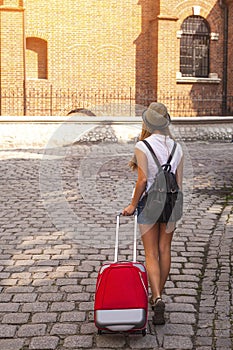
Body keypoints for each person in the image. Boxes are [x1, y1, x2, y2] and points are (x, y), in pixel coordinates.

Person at [122, 102, 183, 325]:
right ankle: (158, 295)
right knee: (165, 249)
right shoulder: (178, 147)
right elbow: (178, 182)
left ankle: (156, 295)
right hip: (173, 202)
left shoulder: (142, 146)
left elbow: (143, 180)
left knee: (151, 253)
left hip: (150, 202)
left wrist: (131, 205)